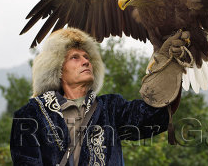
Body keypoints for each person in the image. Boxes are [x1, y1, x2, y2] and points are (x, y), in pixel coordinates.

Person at [10, 27, 186, 166]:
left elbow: (155, 115)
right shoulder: (31, 115)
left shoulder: (110, 108)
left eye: (87, 57)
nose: (86, 61)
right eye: (75, 57)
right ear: (58, 69)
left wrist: (170, 64)